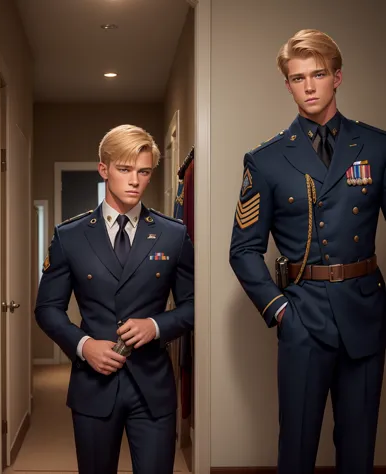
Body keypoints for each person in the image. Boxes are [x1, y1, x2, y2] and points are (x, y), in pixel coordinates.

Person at [229, 29, 386, 474]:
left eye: (318, 74)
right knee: (295, 451)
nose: (310, 86)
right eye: (298, 78)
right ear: (288, 85)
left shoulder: (376, 146)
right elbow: (242, 250)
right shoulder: (266, 159)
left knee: (358, 451)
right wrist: (280, 311)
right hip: (302, 318)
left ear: (338, 77)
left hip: (365, 313)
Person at [35, 124, 194, 474]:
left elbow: (194, 305)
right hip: (94, 383)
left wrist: (156, 325)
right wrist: (84, 344)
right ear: (104, 169)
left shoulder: (173, 234)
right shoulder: (70, 236)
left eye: (144, 171)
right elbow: (47, 309)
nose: (135, 180)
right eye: (124, 169)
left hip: (152, 384)